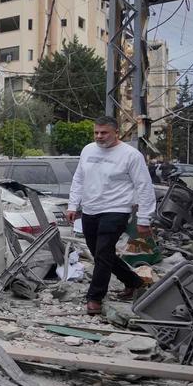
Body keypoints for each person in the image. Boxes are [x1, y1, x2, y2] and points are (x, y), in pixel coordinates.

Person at [66, 117, 157, 316]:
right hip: (90, 209)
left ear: (116, 132)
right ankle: (134, 281)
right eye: (96, 133)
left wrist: (144, 218)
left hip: (117, 209)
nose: (99, 136)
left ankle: (95, 298)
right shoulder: (88, 150)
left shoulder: (131, 155)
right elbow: (79, 178)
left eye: (104, 133)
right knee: (100, 253)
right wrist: (73, 204)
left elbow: (144, 187)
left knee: (103, 253)